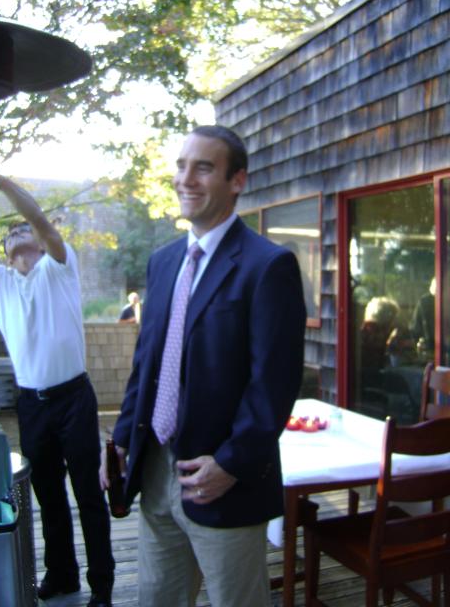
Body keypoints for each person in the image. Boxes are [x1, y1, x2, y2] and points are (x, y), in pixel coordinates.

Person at [100, 125, 307, 606]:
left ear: (237, 180)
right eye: (181, 166)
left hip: (221, 482)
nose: (185, 179)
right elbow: (147, 362)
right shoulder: (163, 262)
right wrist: (125, 439)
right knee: (157, 599)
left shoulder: (268, 265)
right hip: (155, 470)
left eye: (204, 168)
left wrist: (230, 465)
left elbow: (273, 385)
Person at [0, 168, 114, 607]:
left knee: (88, 494)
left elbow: (38, 219)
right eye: (10, 234)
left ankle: (102, 586)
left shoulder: (58, 267)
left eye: (24, 230)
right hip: (32, 405)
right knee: (48, 496)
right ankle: (62, 576)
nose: (18, 232)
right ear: (5, 255)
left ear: (40, 244)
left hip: (74, 397)